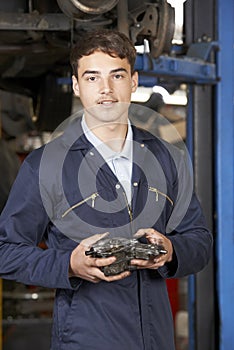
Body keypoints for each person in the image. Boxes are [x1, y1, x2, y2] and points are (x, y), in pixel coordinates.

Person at [0, 29, 213, 350]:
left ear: (133, 81)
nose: (106, 90)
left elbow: (199, 241)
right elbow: (6, 252)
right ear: (76, 85)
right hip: (87, 339)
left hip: (156, 339)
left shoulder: (166, 157)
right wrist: (69, 265)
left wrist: (171, 250)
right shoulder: (45, 165)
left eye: (117, 75)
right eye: (92, 78)